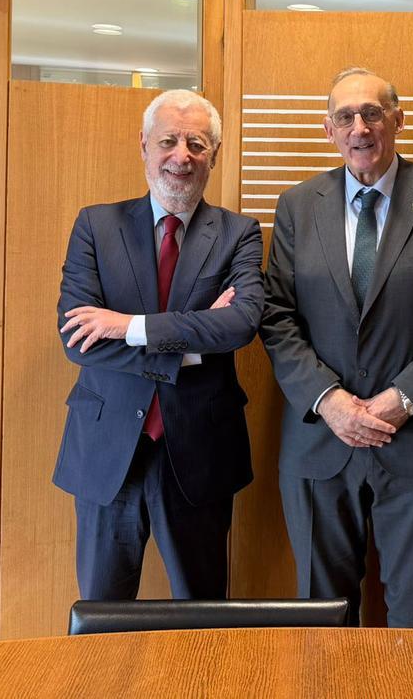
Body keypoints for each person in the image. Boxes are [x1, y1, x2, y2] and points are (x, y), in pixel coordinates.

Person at [260, 68, 413, 627]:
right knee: (322, 620)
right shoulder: (297, 205)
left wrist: (402, 399)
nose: (359, 128)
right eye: (345, 117)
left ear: (398, 120)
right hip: (320, 442)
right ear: (328, 129)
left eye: (372, 113)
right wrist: (329, 400)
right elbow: (276, 314)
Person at [55, 89, 263, 600]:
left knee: (203, 617)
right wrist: (194, 343)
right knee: (102, 616)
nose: (181, 156)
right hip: (107, 451)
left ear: (214, 153)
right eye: (168, 141)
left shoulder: (239, 234)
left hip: (201, 451)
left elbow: (240, 324)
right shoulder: (96, 226)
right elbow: (78, 339)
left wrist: (128, 326)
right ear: (144, 145)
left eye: (197, 144)